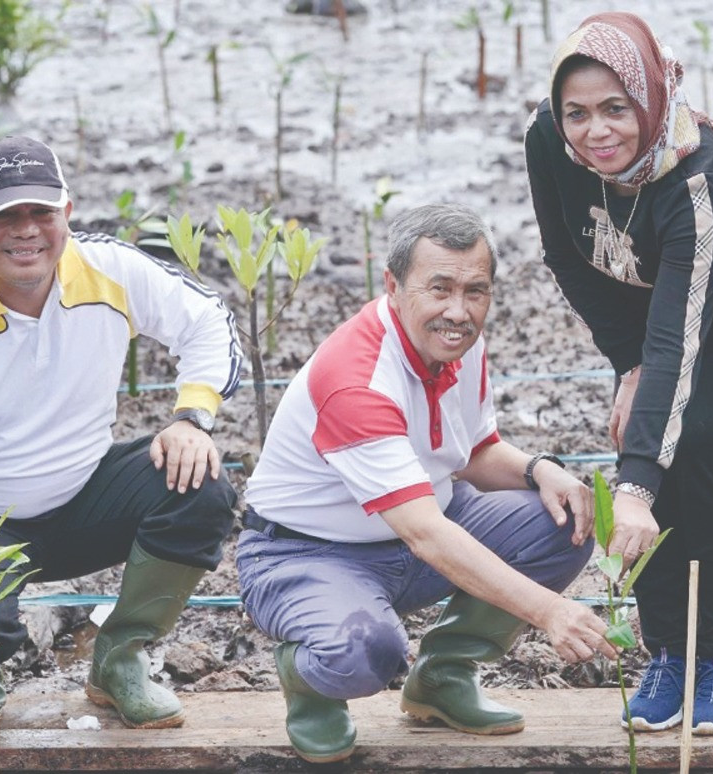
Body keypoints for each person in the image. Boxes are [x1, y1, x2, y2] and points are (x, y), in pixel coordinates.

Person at [524, 12, 713, 736]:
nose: (595, 131)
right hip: (665, 282)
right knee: (647, 427)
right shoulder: (548, 139)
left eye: (615, 109)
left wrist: (631, 490)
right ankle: (668, 650)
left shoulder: (698, 178)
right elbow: (569, 256)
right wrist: (624, 361)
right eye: (577, 113)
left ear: (650, 97)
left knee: (708, 442)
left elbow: (679, 342)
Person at [0, 135, 244, 730]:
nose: (26, 231)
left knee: (200, 485)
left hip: (83, 495)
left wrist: (192, 416)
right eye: (5, 215)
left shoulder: (108, 268)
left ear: (66, 214)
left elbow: (208, 321)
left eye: (41, 212)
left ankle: (121, 658)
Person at [237, 203, 616, 764]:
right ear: (393, 285)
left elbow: (471, 453)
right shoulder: (358, 378)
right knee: (366, 653)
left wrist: (541, 469)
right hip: (307, 553)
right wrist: (550, 612)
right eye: (438, 288)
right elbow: (427, 536)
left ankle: (442, 676)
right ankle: (310, 680)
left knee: (564, 520)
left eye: (476, 291)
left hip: (422, 528)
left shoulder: (456, 341)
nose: (459, 312)